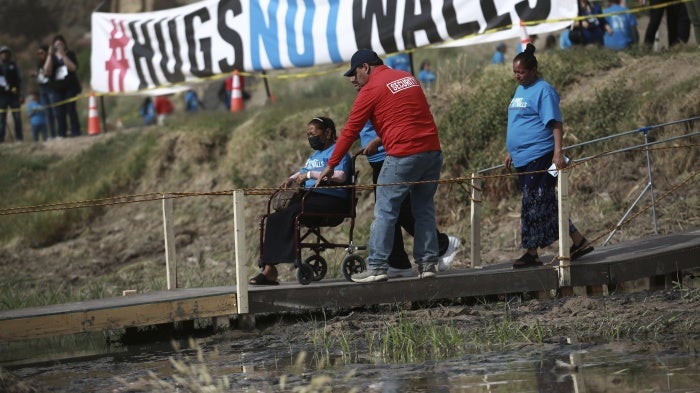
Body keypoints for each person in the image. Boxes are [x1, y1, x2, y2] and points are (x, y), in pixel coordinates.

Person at [317, 49, 443, 282]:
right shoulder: (407, 77)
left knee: (385, 210)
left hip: (403, 154)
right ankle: (428, 265)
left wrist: (331, 164)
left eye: (354, 73)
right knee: (423, 209)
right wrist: (380, 139)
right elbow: (414, 117)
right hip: (432, 151)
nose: (353, 79)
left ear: (365, 67)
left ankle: (376, 268)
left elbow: (349, 130)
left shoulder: (371, 89)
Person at [504, 43, 594, 268]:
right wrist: (511, 151)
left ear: (533, 70)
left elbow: (555, 124)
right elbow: (519, 122)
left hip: (541, 155)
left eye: (521, 72)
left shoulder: (544, 90)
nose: (518, 76)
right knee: (546, 202)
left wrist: (557, 153)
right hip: (522, 158)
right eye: (515, 72)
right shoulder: (519, 90)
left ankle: (531, 253)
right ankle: (579, 241)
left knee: (532, 202)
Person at [250, 116, 352, 285]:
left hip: (332, 198)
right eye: (307, 135)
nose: (310, 137)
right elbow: (302, 171)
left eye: (313, 133)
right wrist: (290, 179)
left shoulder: (339, 151)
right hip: (310, 196)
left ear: (327, 132)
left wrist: (310, 175)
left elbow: (341, 176)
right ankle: (269, 268)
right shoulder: (314, 156)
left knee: (292, 213)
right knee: (274, 217)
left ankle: (287, 261)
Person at [44, 34, 81, 137]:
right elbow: (46, 72)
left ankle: (75, 131)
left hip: (70, 87)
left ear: (65, 45)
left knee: (71, 109)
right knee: (59, 112)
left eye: (60, 44)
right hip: (57, 88)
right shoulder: (52, 58)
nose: (58, 47)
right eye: (56, 45)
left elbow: (73, 68)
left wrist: (63, 55)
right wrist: (49, 55)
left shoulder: (70, 54)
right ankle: (61, 133)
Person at [0, 45, 24, 143]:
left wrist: (22, 94)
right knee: (2, 119)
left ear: (9, 54)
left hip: (14, 96)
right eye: (2, 53)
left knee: (17, 118)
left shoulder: (14, 65)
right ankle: (1, 139)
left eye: (6, 52)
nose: (4, 54)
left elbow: (20, 81)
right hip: (2, 97)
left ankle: (19, 138)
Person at [34, 45, 56, 139]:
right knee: (48, 113)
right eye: (38, 53)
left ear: (46, 52)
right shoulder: (39, 63)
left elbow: (48, 73)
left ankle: (59, 133)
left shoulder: (52, 60)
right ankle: (52, 134)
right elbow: (41, 76)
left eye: (41, 53)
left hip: (51, 89)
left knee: (55, 112)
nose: (40, 55)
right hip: (42, 89)